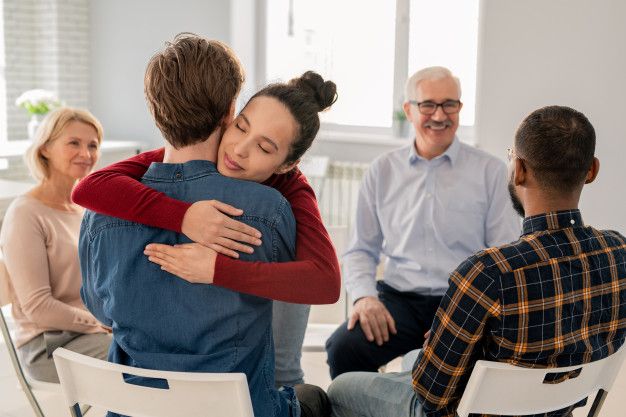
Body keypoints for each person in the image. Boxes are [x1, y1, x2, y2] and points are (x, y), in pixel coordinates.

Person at [79, 33, 334, 417]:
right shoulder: (270, 210)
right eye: (243, 127)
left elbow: (101, 312)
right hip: (238, 410)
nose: (244, 148)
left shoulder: (100, 209)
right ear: (230, 111)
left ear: (154, 108)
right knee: (313, 397)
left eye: (265, 147)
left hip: (134, 411)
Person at [326, 105, 626, 417]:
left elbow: (431, 398)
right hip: (557, 409)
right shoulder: (618, 253)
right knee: (411, 357)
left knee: (339, 389)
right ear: (591, 170)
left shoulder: (486, 273)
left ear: (519, 170)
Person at [325, 66, 520, 378]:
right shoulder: (382, 171)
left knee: (443, 372)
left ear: (460, 108)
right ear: (409, 110)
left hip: (462, 301)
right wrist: (364, 298)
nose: (439, 116)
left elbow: (504, 255)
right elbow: (361, 249)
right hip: (398, 301)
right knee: (344, 348)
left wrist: (469, 317)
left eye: (449, 104)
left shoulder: (491, 171)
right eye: (428, 105)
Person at [0, 107, 111, 383]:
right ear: (46, 148)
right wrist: (100, 323)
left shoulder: (86, 210)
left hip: (92, 334)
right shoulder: (26, 213)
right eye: (74, 143)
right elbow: (38, 306)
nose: (85, 154)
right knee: (143, 354)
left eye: (92, 145)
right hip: (48, 346)